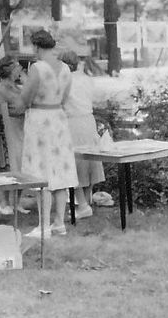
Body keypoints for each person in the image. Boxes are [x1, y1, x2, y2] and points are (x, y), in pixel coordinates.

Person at [16, 29, 78, 238]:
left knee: (41, 171)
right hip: (58, 119)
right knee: (59, 170)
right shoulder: (66, 69)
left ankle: (43, 225)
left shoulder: (38, 68)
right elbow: (66, 96)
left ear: (36, 47)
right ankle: (59, 222)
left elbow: (26, 97)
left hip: (40, 120)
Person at [59, 50, 106, 218]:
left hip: (72, 122)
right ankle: (85, 201)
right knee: (88, 161)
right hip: (88, 120)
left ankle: (83, 203)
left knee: (74, 163)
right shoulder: (86, 79)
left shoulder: (64, 80)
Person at [0, 55, 29, 215]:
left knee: (21, 164)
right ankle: (4, 202)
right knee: (11, 164)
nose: (20, 70)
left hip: (21, 128)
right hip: (10, 129)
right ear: (9, 70)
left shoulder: (17, 87)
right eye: (17, 68)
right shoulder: (2, 89)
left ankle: (17, 201)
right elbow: (3, 111)